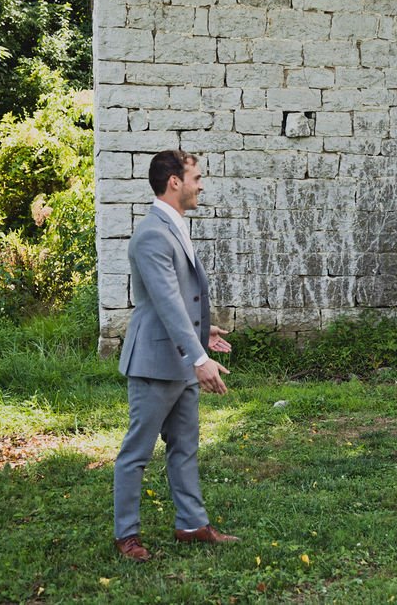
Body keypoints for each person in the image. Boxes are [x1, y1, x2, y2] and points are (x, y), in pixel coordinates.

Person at [113, 149, 239, 562]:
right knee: (137, 453)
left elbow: (180, 297)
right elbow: (166, 302)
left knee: (184, 447)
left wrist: (205, 333)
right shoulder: (152, 233)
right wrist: (199, 358)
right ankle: (127, 535)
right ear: (174, 182)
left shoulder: (174, 226)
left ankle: (191, 524)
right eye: (196, 177)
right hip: (154, 362)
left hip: (181, 361)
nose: (201, 185)